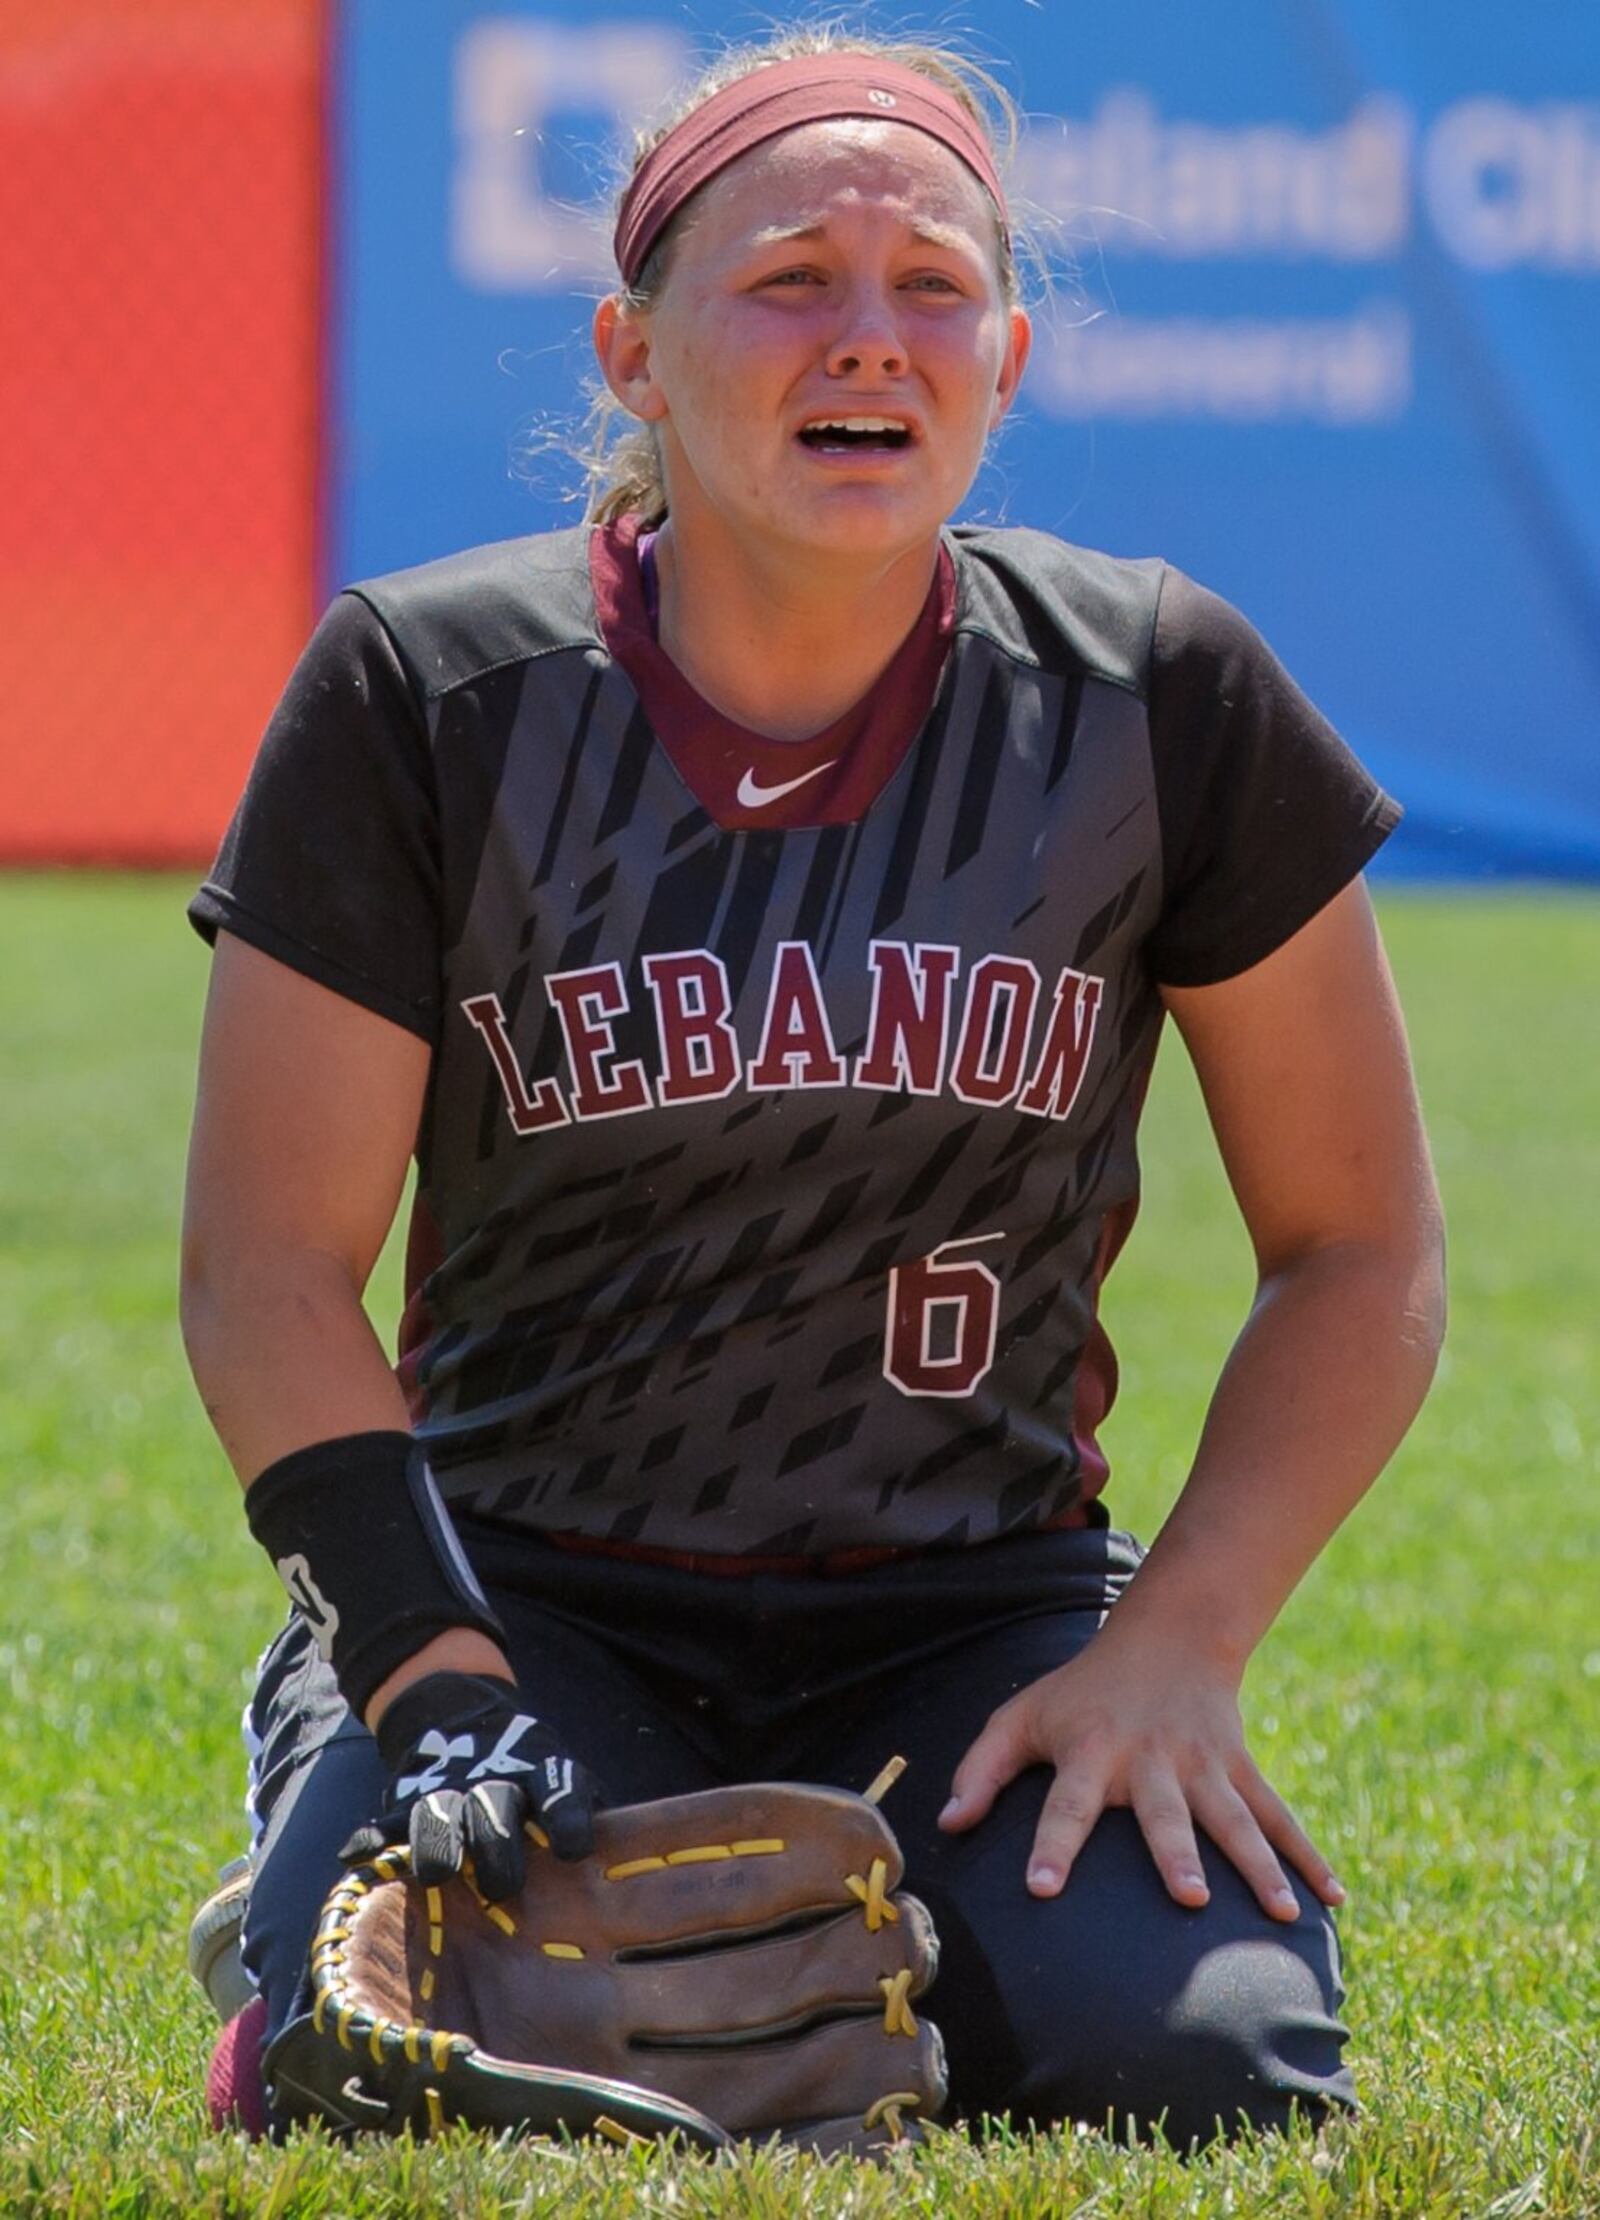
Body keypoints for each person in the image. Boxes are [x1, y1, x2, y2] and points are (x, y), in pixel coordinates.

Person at [180, 28, 1445, 2151]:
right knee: (394, 2076)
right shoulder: (425, 694)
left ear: (1007, 351)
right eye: (787, 279)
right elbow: (267, 1272)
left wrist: (1176, 1649)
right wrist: (426, 1672)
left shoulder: (1153, 696)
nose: (868, 336)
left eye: (929, 284)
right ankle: (311, 1844)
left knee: (1196, 2075)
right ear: (632, 348)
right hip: (526, 1588)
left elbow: (1357, 1248)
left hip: (974, 1604)